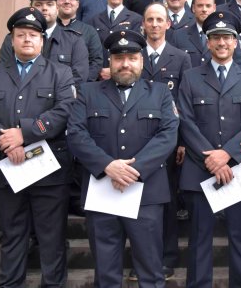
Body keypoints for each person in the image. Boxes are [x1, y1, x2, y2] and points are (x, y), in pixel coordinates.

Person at [66, 29, 179, 287]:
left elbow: (168, 136)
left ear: (142, 61)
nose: (125, 63)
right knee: (106, 274)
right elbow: (76, 134)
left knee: (150, 271)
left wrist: (132, 170)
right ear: (110, 61)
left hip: (147, 194)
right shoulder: (88, 92)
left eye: (132, 57)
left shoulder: (160, 93)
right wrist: (108, 166)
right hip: (102, 191)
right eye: (118, 58)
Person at [0, 7, 75, 287]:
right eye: (21, 35)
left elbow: (64, 111)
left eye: (33, 35)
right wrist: (6, 142)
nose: (27, 39)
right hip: (9, 168)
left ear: (42, 40)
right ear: (12, 40)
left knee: (51, 237)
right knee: (12, 234)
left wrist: (24, 134)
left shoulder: (60, 73)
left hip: (48, 172)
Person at [177, 10, 241, 288]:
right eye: (215, 37)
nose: (222, 43)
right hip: (200, 170)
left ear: (236, 41)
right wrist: (213, 159)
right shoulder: (191, 77)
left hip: (239, 169)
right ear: (207, 42)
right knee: (199, 240)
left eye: (227, 37)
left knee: (240, 239)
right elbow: (186, 122)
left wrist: (228, 154)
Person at [139, 3, 193, 279]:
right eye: (150, 20)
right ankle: (143, 260)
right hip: (137, 141)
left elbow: (184, 103)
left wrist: (182, 141)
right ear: (143, 24)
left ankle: (167, 257)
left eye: (160, 19)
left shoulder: (181, 58)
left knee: (168, 200)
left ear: (168, 24)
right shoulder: (133, 54)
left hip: (168, 143)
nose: (156, 24)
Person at [0, 0, 90, 84]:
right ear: (31, 8)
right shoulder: (12, 39)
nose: (44, 8)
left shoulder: (74, 41)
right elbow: (4, 72)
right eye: (38, 4)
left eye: (49, 4)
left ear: (57, 8)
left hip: (60, 98)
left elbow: (79, 78)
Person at [86, 0, 144, 81]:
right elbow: (90, 52)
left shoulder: (136, 20)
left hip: (125, 76)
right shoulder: (94, 21)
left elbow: (138, 51)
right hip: (100, 79)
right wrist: (98, 71)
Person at [168, 0, 241, 66]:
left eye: (208, 6)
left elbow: (239, 65)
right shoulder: (178, 35)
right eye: (200, 5)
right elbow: (174, 65)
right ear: (193, 8)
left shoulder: (230, 35)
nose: (204, 10)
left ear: (214, 8)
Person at [57, 0, 103, 83]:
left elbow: (96, 61)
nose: (67, 2)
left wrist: (83, 85)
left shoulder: (89, 31)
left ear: (77, 4)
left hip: (80, 90)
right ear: (56, 2)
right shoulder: (48, 29)